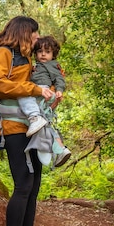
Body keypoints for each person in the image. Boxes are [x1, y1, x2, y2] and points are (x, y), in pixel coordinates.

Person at [0, 16, 56, 226]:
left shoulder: (27, 59)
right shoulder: (3, 53)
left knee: (34, 185)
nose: (37, 39)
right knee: (23, 185)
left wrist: (50, 90)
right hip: (15, 130)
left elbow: (33, 89)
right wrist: (34, 89)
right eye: (34, 35)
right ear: (24, 32)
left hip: (34, 129)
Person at [18, 35, 71, 167]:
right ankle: (60, 150)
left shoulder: (52, 65)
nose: (43, 55)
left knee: (22, 94)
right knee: (46, 124)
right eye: (40, 51)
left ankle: (34, 118)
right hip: (39, 91)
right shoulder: (36, 65)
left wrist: (59, 90)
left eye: (47, 52)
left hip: (42, 90)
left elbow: (59, 79)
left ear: (53, 54)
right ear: (35, 53)